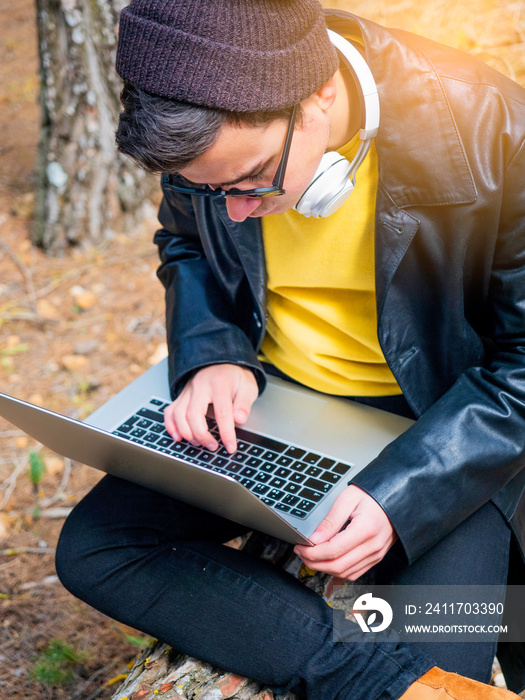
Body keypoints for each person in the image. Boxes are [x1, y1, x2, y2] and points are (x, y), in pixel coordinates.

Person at [55, 1, 525, 698]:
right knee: (97, 547)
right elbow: (185, 241)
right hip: (283, 410)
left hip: (444, 427)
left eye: (250, 183)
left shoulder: (491, 127)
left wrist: (402, 494)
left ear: (320, 94)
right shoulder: (209, 117)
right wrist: (213, 349)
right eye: (212, 190)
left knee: (449, 645)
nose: (235, 209)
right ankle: (367, 676)